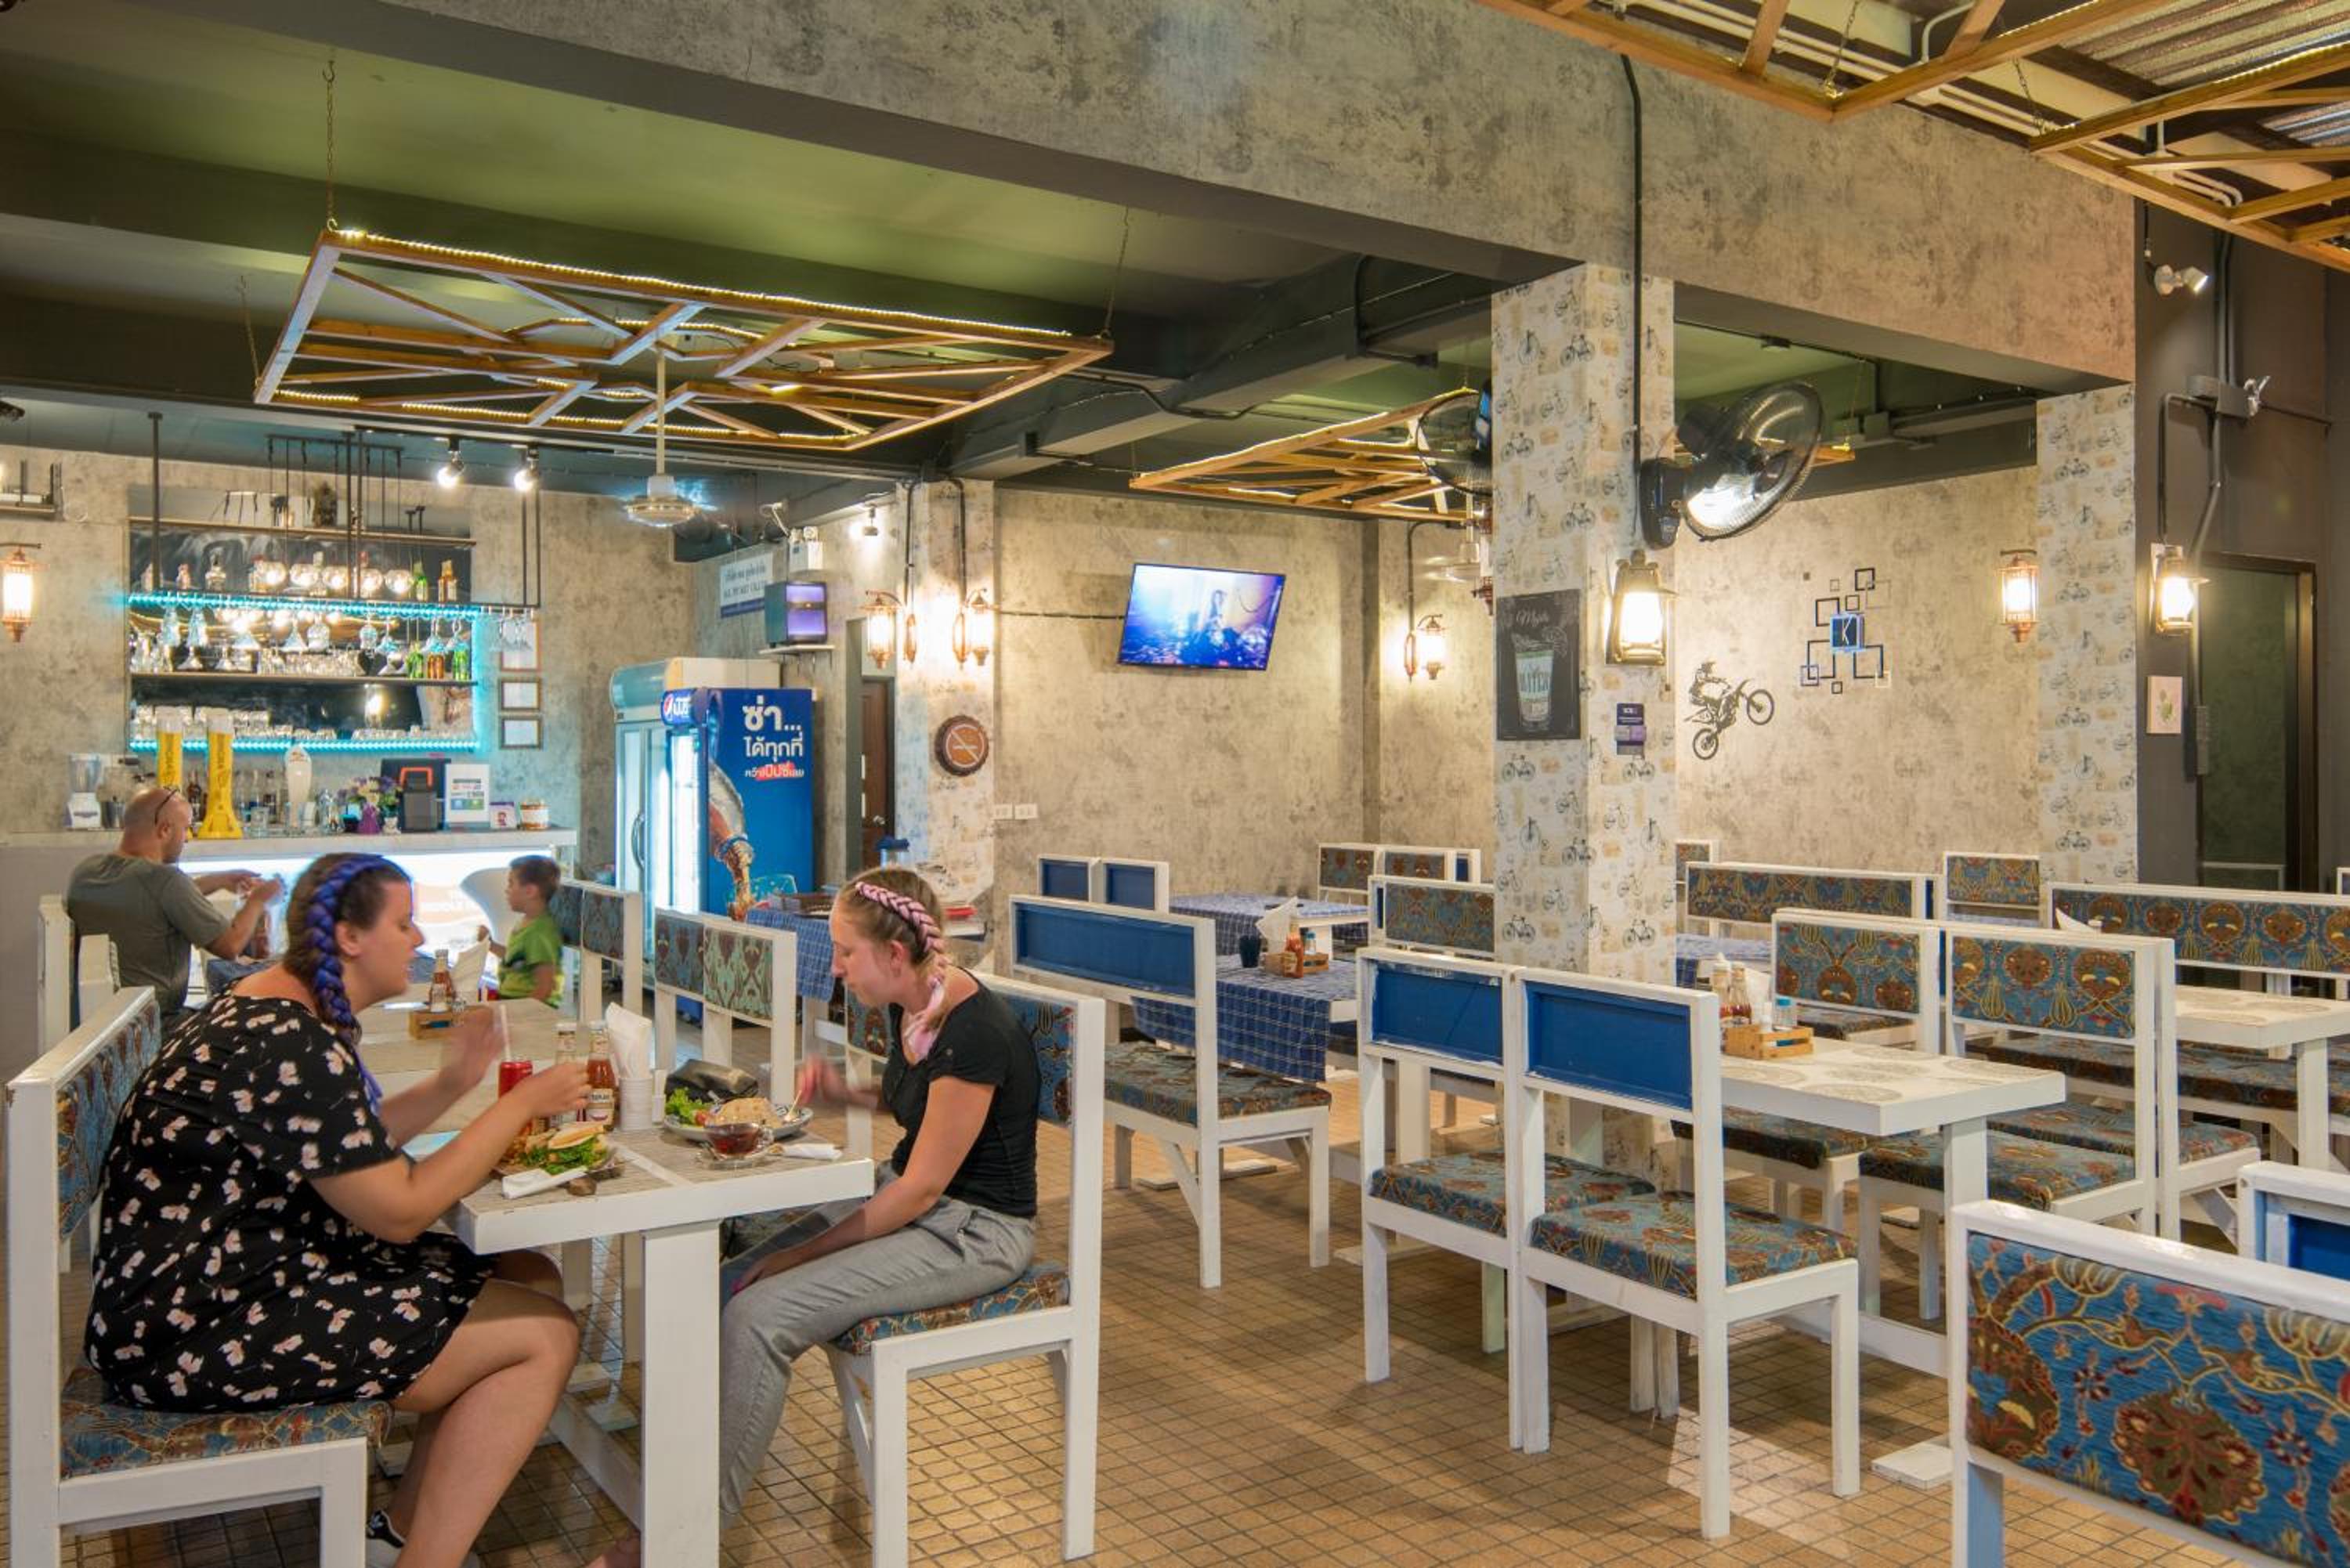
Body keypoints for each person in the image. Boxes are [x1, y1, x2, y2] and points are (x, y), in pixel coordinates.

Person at [85, 851, 598, 1568]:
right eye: (404, 923)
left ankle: (395, 1539)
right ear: (351, 938)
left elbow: (349, 1144)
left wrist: (453, 1083)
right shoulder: (288, 1039)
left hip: (212, 1282)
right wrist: (519, 1106)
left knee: (527, 1273)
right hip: (197, 1324)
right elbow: (400, 1211)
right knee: (545, 1331)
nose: (418, 939)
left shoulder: (271, 1009)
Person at [585, 867, 1039, 1568]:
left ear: (895, 954)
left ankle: (679, 1542)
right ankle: (677, 1485)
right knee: (727, 1284)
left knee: (758, 1315)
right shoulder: (918, 1003)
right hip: (919, 1203)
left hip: (975, 1233)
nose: (837, 968)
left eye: (847, 952)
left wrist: (796, 1255)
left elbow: (922, 1190)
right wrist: (845, 1093)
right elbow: (934, 1109)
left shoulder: (975, 1032)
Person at [65, 786, 280, 1027]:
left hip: (105, 1026)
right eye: (186, 828)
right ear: (165, 830)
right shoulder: (165, 880)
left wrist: (219, 880)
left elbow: (150, 899)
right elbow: (230, 945)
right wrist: (259, 899)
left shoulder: (87, 871)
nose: (187, 838)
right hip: (158, 1026)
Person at [483, 854, 563, 1006]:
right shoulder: (526, 923)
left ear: (530, 891)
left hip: (526, 1007)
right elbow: (517, 960)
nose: (507, 890)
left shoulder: (540, 932)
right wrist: (491, 945)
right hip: (512, 1001)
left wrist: (520, 1012)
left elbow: (545, 986)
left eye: (511, 884)